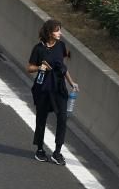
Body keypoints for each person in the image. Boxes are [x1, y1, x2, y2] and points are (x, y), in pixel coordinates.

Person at [26, 19, 79, 166]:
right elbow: (29, 68)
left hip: (59, 88)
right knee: (41, 119)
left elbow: (62, 67)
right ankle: (40, 149)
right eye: (57, 30)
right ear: (49, 33)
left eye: (60, 30)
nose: (60, 33)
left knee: (62, 118)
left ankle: (57, 152)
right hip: (43, 89)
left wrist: (71, 82)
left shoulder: (61, 46)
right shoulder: (38, 49)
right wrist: (40, 68)